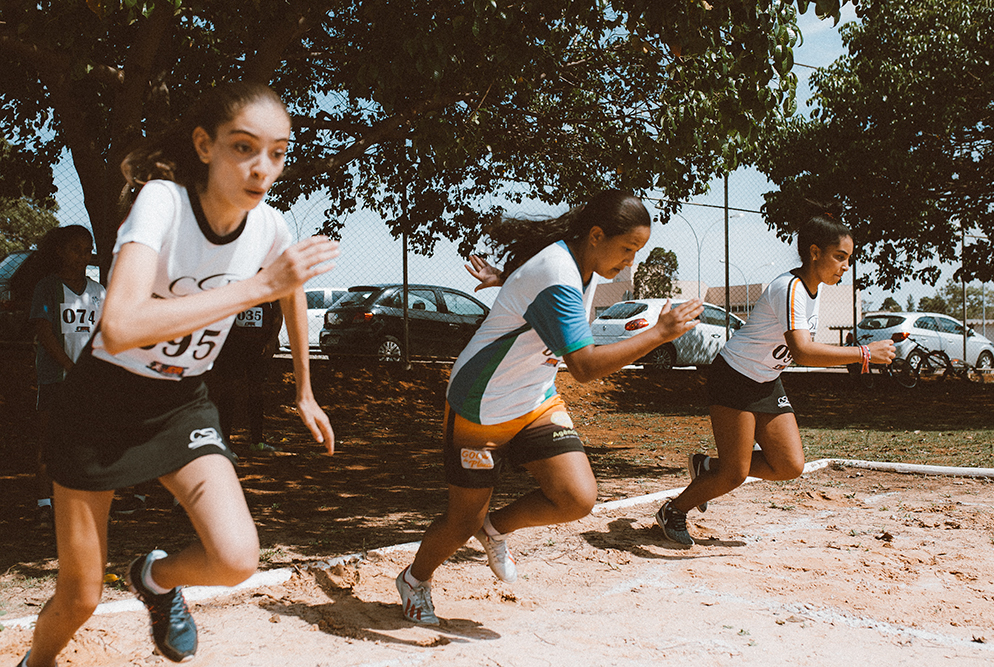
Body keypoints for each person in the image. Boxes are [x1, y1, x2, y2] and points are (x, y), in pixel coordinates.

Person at [16, 81, 339, 667]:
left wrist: (305, 390)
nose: (262, 168)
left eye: (278, 152)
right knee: (80, 597)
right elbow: (119, 325)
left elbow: (290, 291)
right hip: (101, 406)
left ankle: (156, 578)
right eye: (244, 147)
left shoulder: (269, 228)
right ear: (204, 144)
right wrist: (258, 287)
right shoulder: (164, 201)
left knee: (237, 557)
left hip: (181, 402)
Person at [395, 189, 704, 625]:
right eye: (628, 249)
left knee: (577, 497)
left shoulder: (582, 263)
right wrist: (659, 333)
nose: (631, 261)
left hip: (535, 398)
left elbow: (532, 289)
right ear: (596, 235)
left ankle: (494, 528)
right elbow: (583, 366)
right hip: (480, 406)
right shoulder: (559, 271)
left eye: (637, 251)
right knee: (461, 519)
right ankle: (415, 579)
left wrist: (506, 281)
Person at [654, 201, 896, 547]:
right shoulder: (790, 288)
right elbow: (802, 351)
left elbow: (805, 345)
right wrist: (864, 354)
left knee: (788, 465)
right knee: (734, 474)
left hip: (766, 380)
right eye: (840, 257)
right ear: (815, 252)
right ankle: (673, 511)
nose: (846, 265)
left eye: (848, 258)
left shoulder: (816, 289)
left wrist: (859, 354)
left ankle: (707, 467)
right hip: (735, 377)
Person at [25, 225, 105, 528]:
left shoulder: (98, 293)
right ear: (60, 251)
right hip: (56, 378)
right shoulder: (47, 287)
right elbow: (44, 330)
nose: (84, 256)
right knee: (50, 439)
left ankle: (82, 503)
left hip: (88, 381)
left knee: (87, 440)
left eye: (88, 250)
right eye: (77, 249)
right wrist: (71, 368)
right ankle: (43, 504)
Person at [207, 297, 284, 454]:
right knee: (229, 387)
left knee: (256, 388)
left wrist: (271, 341)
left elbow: (278, 310)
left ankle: (257, 441)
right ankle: (225, 442)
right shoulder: (235, 277)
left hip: (259, 345)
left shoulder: (267, 276)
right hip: (233, 344)